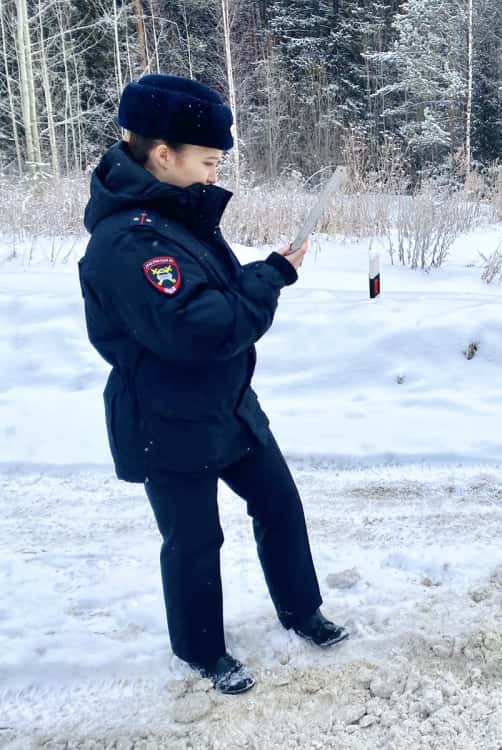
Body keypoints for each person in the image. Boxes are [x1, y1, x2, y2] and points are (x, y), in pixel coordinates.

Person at [78, 74, 347, 695]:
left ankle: (300, 610)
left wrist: (262, 272)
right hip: (165, 418)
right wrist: (274, 277)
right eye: (207, 161)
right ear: (163, 154)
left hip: (227, 406)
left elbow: (213, 300)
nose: (213, 175)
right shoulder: (130, 241)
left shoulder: (176, 213)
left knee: (279, 504)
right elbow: (203, 329)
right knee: (195, 540)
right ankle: (202, 651)